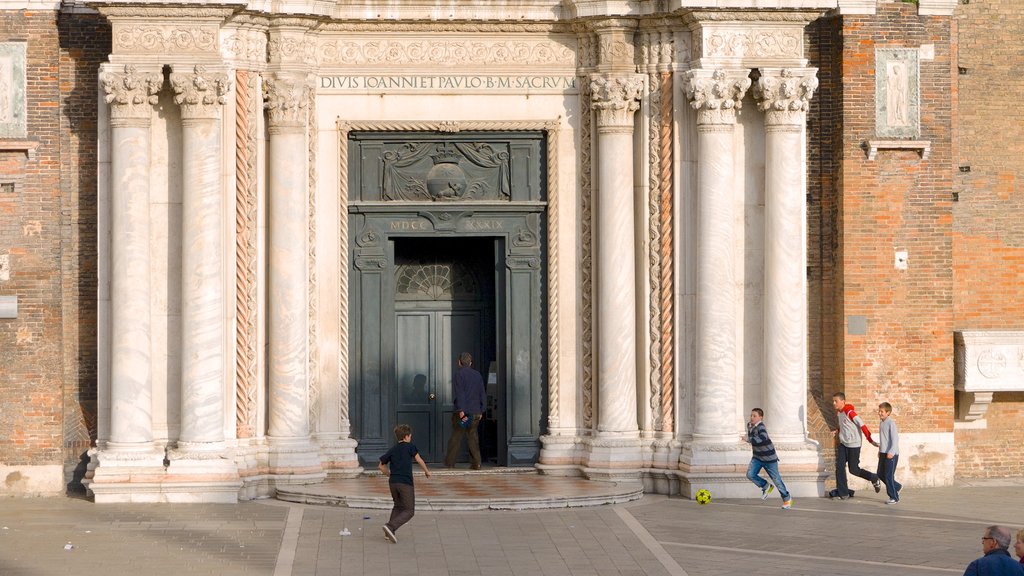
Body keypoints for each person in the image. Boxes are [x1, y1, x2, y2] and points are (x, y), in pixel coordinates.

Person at [378, 423, 431, 544]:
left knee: (398, 506)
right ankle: (390, 526)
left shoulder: (393, 449)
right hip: (405, 483)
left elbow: (380, 466)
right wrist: (427, 471)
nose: (410, 438)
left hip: (393, 483)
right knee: (409, 510)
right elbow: (419, 459)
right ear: (407, 436)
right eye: (410, 436)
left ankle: (388, 532)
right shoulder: (410, 447)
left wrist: (389, 474)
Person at [830, 392, 882, 500]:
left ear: (842, 401)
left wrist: (870, 440)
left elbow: (862, 425)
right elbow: (843, 425)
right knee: (839, 467)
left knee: (853, 470)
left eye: (836, 401)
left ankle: (874, 477)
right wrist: (837, 430)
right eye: (833, 401)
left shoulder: (850, 412)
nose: (834, 403)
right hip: (843, 444)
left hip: (854, 445)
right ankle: (843, 493)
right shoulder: (839, 413)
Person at [444, 352, 486, 470]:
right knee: (473, 437)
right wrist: (482, 410)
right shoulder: (477, 375)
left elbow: (460, 393)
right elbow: (482, 393)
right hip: (476, 412)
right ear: (471, 363)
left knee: (456, 437)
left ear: (459, 362)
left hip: (464, 413)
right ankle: (477, 463)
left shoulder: (459, 374)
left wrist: (461, 409)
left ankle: (450, 462)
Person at [744, 408, 792, 509]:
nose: (752, 417)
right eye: (751, 415)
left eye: (754, 416)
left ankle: (787, 499)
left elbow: (763, 438)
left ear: (760, 417)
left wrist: (749, 439)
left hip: (769, 458)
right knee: (750, 474)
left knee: (776, 479)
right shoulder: (749, 425)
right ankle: (766, 486)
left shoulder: (761, 426)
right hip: (757, 457)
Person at [875, 401, 903, 504]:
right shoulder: (882, 423)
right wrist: (880, 450)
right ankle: (897, 486)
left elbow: (895, 439)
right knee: (880, 473)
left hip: (892, 454)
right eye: (879, 411)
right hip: (883, 452)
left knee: (888, 476)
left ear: (888, 412)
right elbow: (884, 439)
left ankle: (894, 497)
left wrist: (891, 452)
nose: (880, 413)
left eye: (882, 411)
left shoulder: (891, 423)